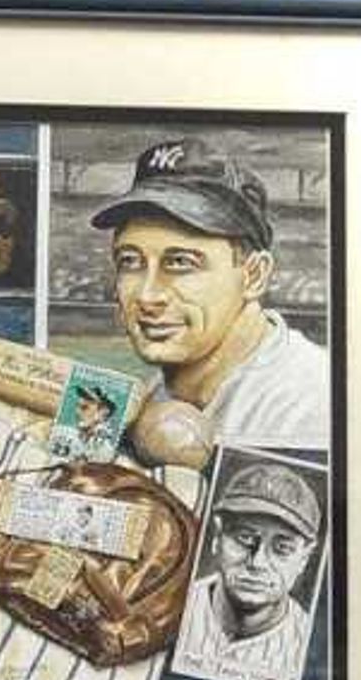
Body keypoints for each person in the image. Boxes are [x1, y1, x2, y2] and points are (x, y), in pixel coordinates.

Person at [91, 138, 331, 452]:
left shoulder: (307, 406)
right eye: (130, 261)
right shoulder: (154, 395)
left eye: (180, 263)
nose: (148, 296)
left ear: (253, 275)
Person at [204, 464, 324, 642]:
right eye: (244, 538)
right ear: (217, 536)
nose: (257, 562)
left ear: (304, 559)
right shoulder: (179, 603)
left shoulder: (310, 640)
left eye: (282, 548)